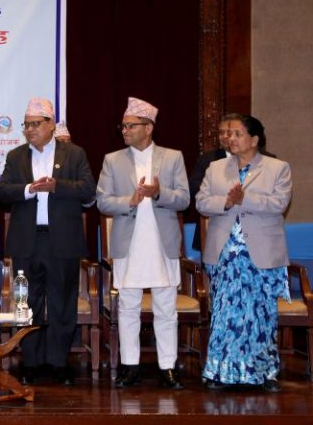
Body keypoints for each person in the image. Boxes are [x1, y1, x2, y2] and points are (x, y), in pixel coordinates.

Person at [0, 98, 95, 386]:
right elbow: (2, 192)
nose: (29, 130)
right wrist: (29, 189)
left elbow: (88, 190)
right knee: (27, 304)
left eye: (35, 124)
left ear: (51, 125)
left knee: (62, 303)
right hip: (27, 241)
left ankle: (58, 363)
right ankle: (32, 362)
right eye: (26, 125)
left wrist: (56, 186)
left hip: (62, 241)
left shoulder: (74, 154)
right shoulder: (16, 156)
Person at [96, 97, 189, 390]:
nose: (125, 131)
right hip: (129, 243)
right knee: (128, 306)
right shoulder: (113, 160)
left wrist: (159, 193)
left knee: (166, 307)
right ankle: (130, 366)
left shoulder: (172, 157)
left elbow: (184, 199)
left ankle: (167, 366)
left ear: (148, 128)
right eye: (123, 126)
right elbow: (102, 201)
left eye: (131, 126)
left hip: (162, 243)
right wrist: (131, 200)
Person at [196, 115, 292, 393]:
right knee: (225, 315)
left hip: (260, 254)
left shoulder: (277, 168)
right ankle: (220, 372)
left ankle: (264, 373)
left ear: (254, 139)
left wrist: (244, 199)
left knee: (260, 314)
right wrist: (227, 201)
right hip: (225, 255)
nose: (231, 138)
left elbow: (279, 203)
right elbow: (201, 202)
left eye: (238, 134)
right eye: (229, 134)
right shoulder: (216, 168)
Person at [188, 113, 243, 251]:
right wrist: (227, 198)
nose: (224, 136)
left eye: (228, 132)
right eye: (220, 132)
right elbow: (194, 187)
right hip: (214, 230)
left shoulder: (265, 160)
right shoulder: (208, 160)